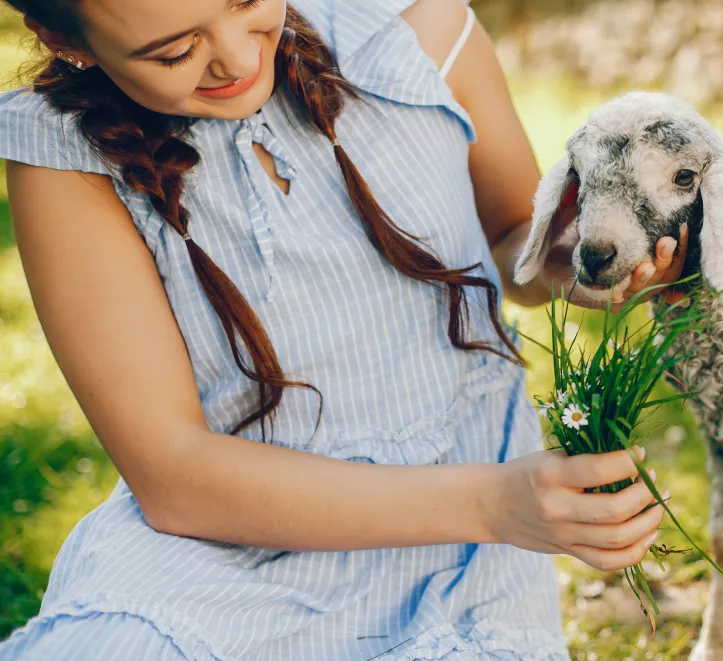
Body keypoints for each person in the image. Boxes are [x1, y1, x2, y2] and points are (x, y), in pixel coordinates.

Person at [0, 0, 687, 658]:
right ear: (67, 41)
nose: (237, 56)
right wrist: (494, 502)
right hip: (225, 547)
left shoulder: (413, 26)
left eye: (246, 0)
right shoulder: (62, 147)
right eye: (175, 51)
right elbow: (175, 478)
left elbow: (514, 235)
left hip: (456, 556)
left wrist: (581, 260)